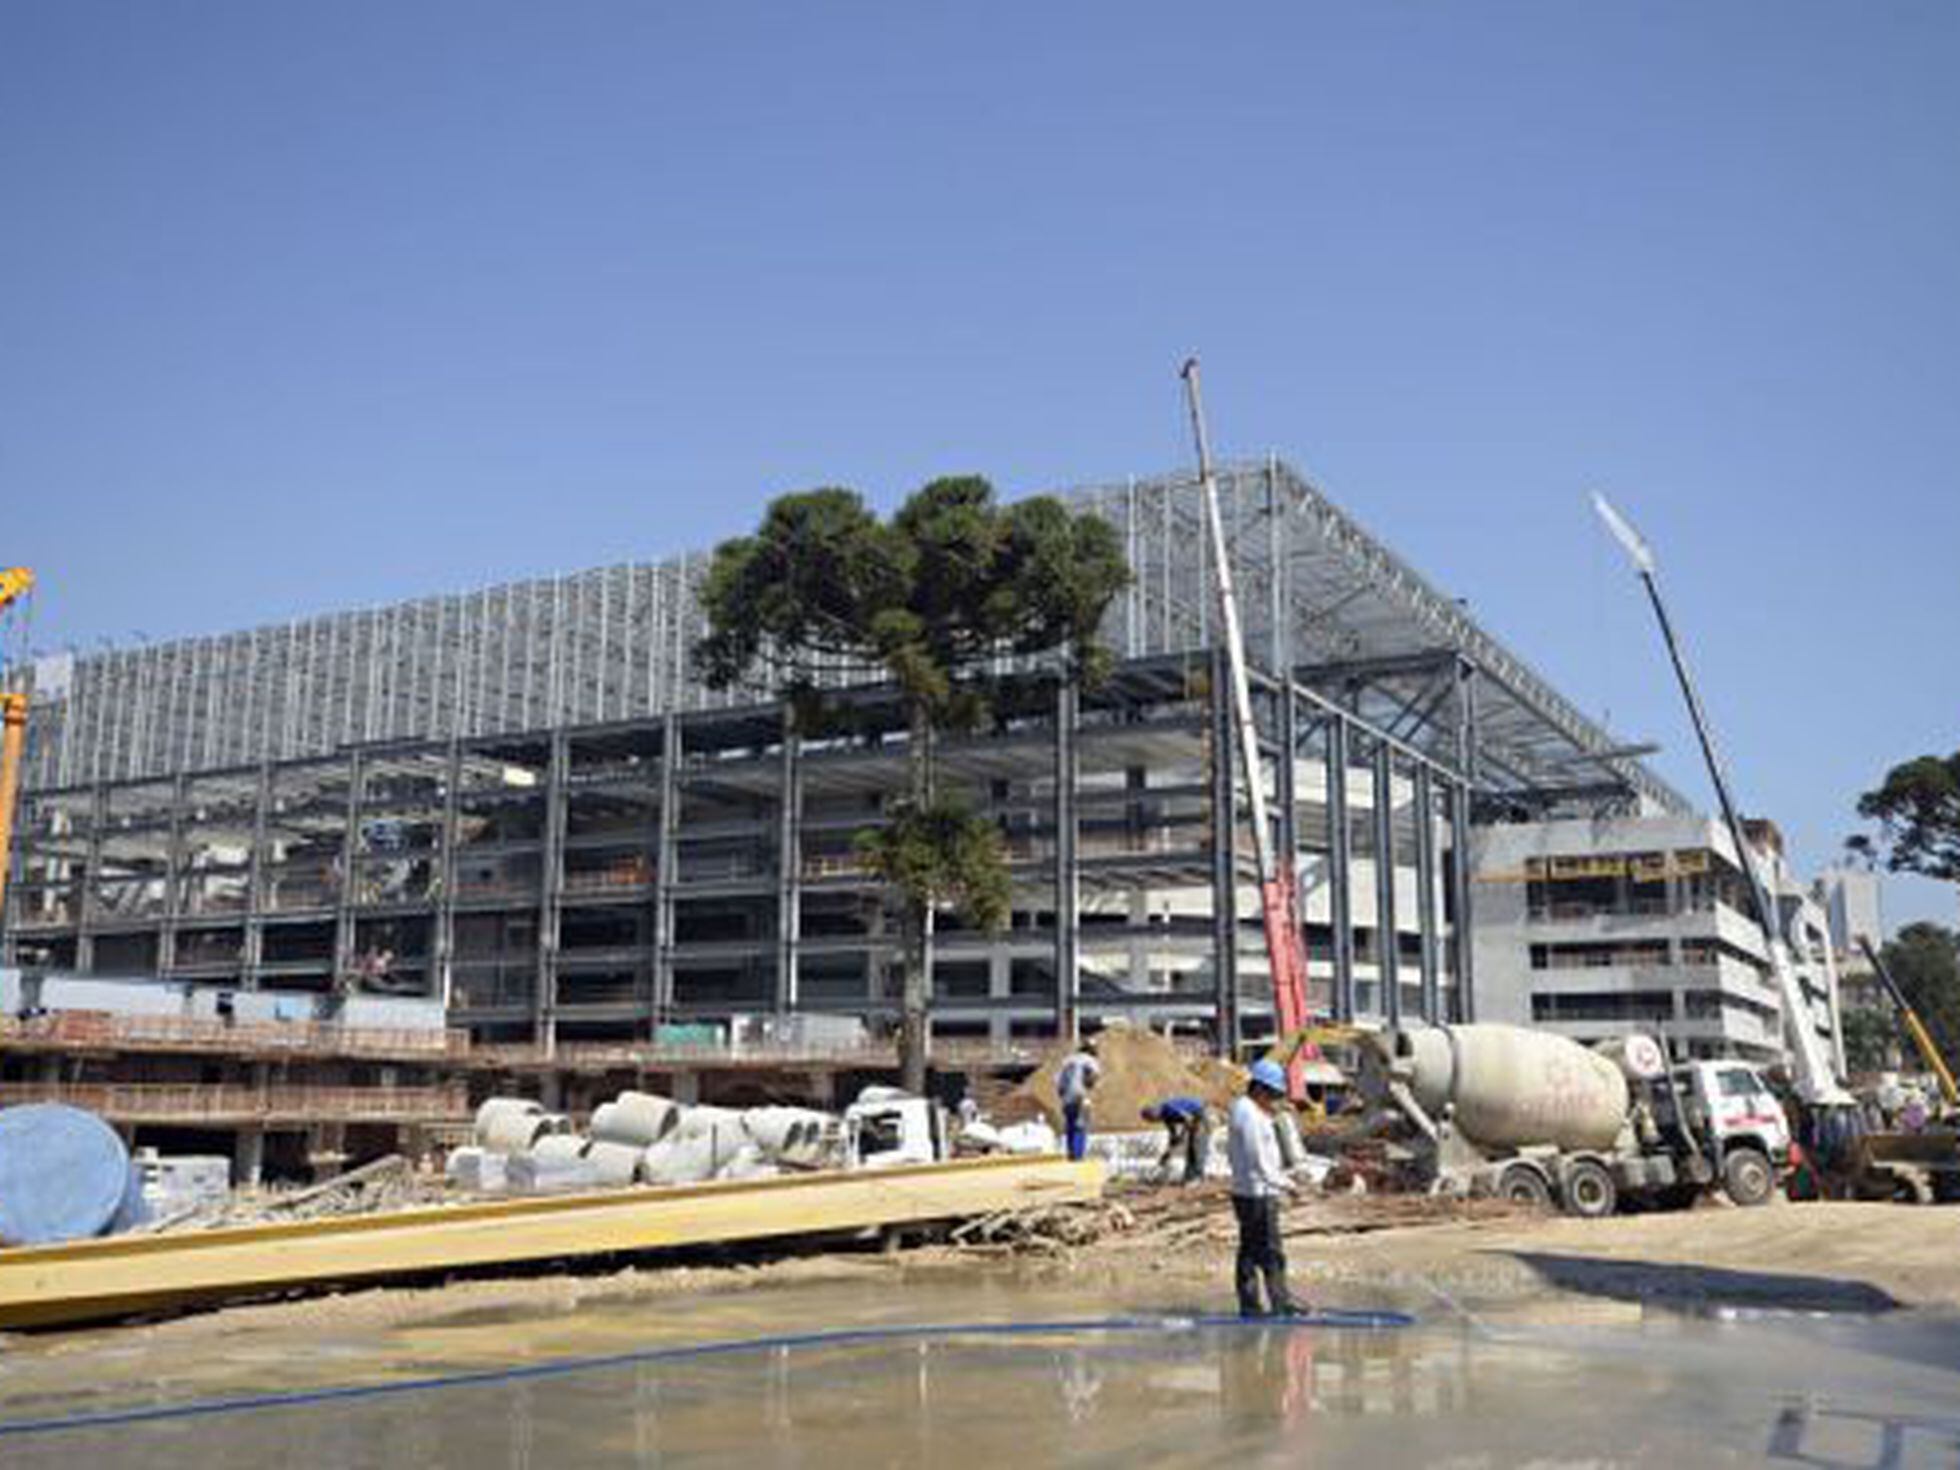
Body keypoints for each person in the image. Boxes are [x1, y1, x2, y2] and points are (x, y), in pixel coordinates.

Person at [1228, 1059, 1308, 1318]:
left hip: (1251, 1191)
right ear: (1260, 1090)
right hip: (1256, 1194)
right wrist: (1288, 1185)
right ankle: (1279, 1301)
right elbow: (1259, 1163)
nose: (1275, 1101)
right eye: (1273, 1095)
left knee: (1250, 1251)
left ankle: (1251, 1304)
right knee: (1270, 1251)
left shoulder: (1248, 1110)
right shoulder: (1249, 1115)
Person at [1141, 1096, 1212, 1184]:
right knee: (1190, 1149)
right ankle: (1189, 1177)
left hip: (1200, 1114)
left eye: (1151, 1119)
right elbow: (1173, 1135)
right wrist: (1168, 1152)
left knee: (1197, 1145)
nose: (1153, 1121)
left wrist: (1181, 1136)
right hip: (1193, 1119)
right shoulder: (1166, 1117)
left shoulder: (1169, 1108)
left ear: (1154, 1113)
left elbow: (1188, 1119)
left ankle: (1198, 1177)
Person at [1055, 1037, 1101, 1162]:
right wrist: (1088, 1087)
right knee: (1080, 1127)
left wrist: (1063, 1095)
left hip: (1066, 1098)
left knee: (1070, 1126)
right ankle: (1078, 1156)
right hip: (1081, 1096)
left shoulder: (1068, 1061)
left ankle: (1071, 1154)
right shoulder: (1090, 1061)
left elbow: (1059, 1082)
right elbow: (1092, 1077)